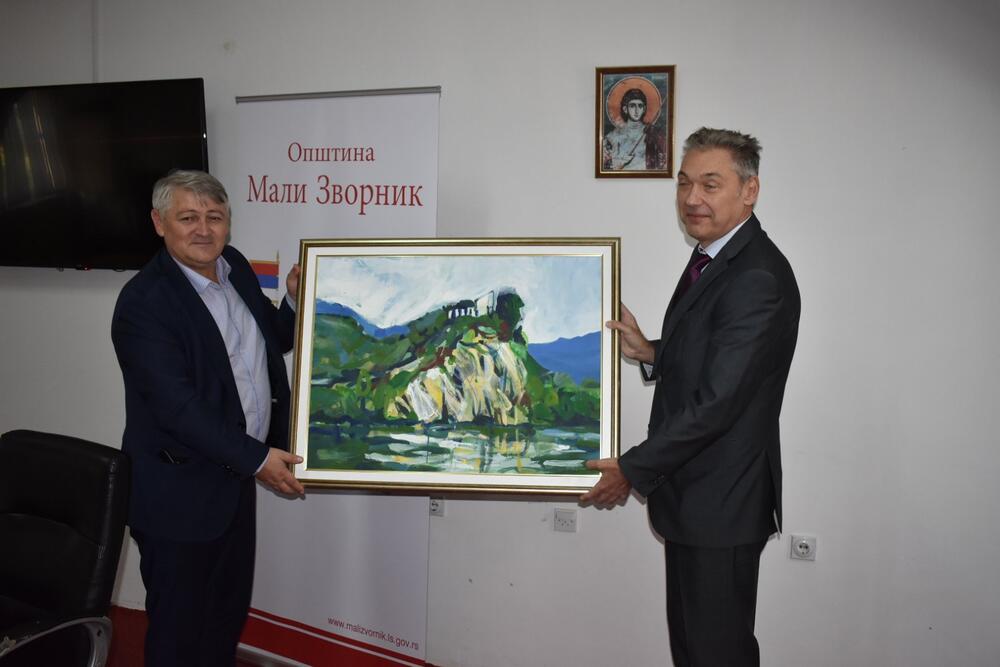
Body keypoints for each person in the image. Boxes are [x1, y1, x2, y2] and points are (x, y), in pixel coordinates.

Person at [583, 128, 800, 666]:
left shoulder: (756, 276)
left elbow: (718, 402)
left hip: (721, 504)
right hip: (697, 499)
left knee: (716, 654)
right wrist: (650, 351)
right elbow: (715, 359)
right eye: (684, 184)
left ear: (749, 191)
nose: (692, 198)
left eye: (710, 184)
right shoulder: (715, 255)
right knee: (694, 650)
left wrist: (630, 469)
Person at [111, 169, 306, 666]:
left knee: (223, 621)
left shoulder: (233, 265)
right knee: (179, 634)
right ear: (159, 223)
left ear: (228, 223)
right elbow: (177, 408)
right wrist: (258, 459)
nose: (203, 229)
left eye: (214, 217)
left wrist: (293, 299)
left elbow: (269, 341)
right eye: (188, 218)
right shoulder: (143, 303)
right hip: (178, 498)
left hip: (233, 488)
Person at [602, 87, 667, 171]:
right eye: (632, 106)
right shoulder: (612, 137)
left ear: (644, 109)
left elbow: (663, 164)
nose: (636, 110)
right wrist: (616, 162)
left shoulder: (654, 134)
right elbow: (605, 167)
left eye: (640, 106)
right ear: (625, 109)